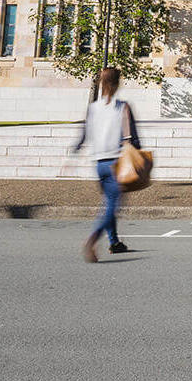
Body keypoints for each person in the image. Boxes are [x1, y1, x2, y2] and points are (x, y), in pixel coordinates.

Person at [71, 66, 140, 263]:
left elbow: (84, 136)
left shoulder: (93, 107)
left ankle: (114, 242)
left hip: (99, 163)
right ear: (118, 83)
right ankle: (92, 239)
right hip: (116, 162)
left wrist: (74, 151)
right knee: (113, 206)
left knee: (108, 202)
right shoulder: (122, 107)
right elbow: (132, 137)